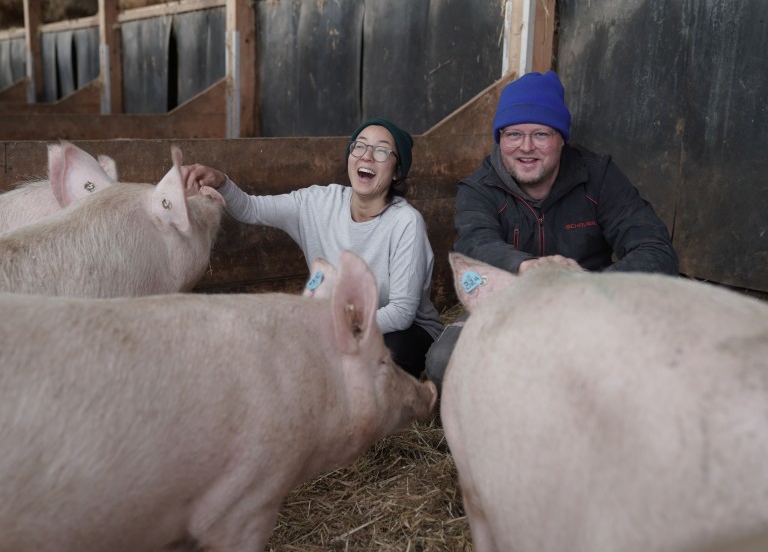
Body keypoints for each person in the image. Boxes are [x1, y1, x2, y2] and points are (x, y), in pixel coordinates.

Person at [425, 70, 679, 391]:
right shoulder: (481, 187)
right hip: (508, 306)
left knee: (661, 359)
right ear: (500, 138)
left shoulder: (598, 177)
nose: (526, 147)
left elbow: (656, 250)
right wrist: (530, 268)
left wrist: (592, 286)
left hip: (589, 308)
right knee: (445, 359)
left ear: (561, 138)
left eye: (541, 134)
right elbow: (475, 243)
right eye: (513, 134)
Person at [183, 117, 444, 379]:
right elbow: (252, 208)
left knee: (380, 355)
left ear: (397, 171)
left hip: (404, 332)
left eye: (382, 151)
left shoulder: (405, 222)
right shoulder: (318, 203)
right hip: (337, 326)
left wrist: (337, 328)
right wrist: (221, 181)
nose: (367, 156)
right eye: (360, 146)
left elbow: (401, 313)